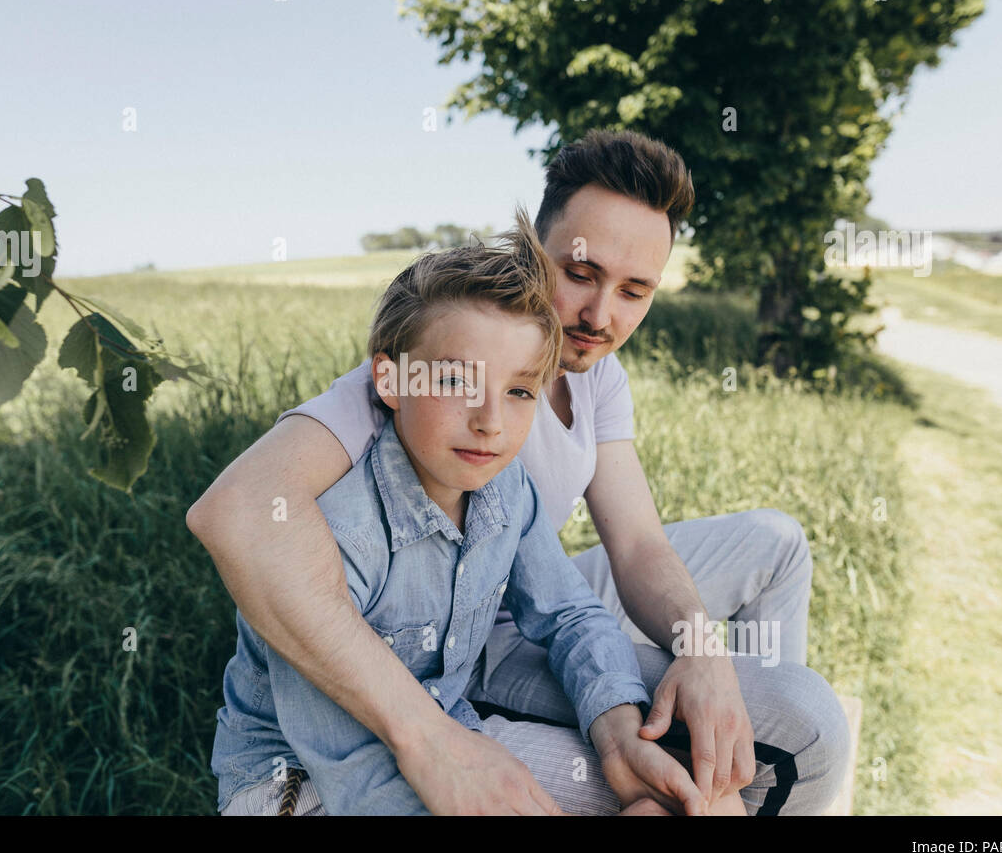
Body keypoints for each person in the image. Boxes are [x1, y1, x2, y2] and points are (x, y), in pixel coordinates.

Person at [189, 129, 851, 815]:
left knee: (776, 558)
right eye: (582, 274)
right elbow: (240, 514)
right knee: (731, 781)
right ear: (535, 252)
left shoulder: (543, 441)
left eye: (634, 290)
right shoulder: (404, 391)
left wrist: (692, 657)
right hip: (427, 690)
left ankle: (732, 734)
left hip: (494, 607)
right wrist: (436, 744)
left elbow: (625, 557)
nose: (601, 315)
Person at [212, 214, 734, 815]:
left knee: (696, 800)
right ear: (390, 379)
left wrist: (616, 731)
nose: (490, 421)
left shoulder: (506, 487)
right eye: (458, 380)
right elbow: (351, 771)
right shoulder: (337, 529)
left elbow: (568, 614)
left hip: (448, 731)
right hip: (302, 785)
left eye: (518, 392)